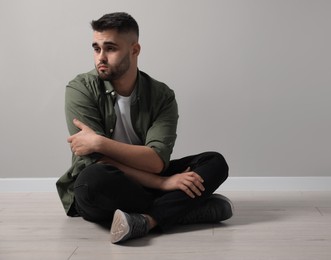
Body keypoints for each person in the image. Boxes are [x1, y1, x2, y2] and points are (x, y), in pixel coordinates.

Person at [56, 12, 233, 244]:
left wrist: (100, 142)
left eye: (110, 48)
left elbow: (156, 162)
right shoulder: (80, 89)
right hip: (108, 184)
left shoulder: (162, 95)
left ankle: (147, 220)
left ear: (135, 50)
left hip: (147, 177)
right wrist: (163, 184)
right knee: (93, 180)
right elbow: (97, 161)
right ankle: (184, 210)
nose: (100, 57)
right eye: (96, 48)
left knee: (214, 162)